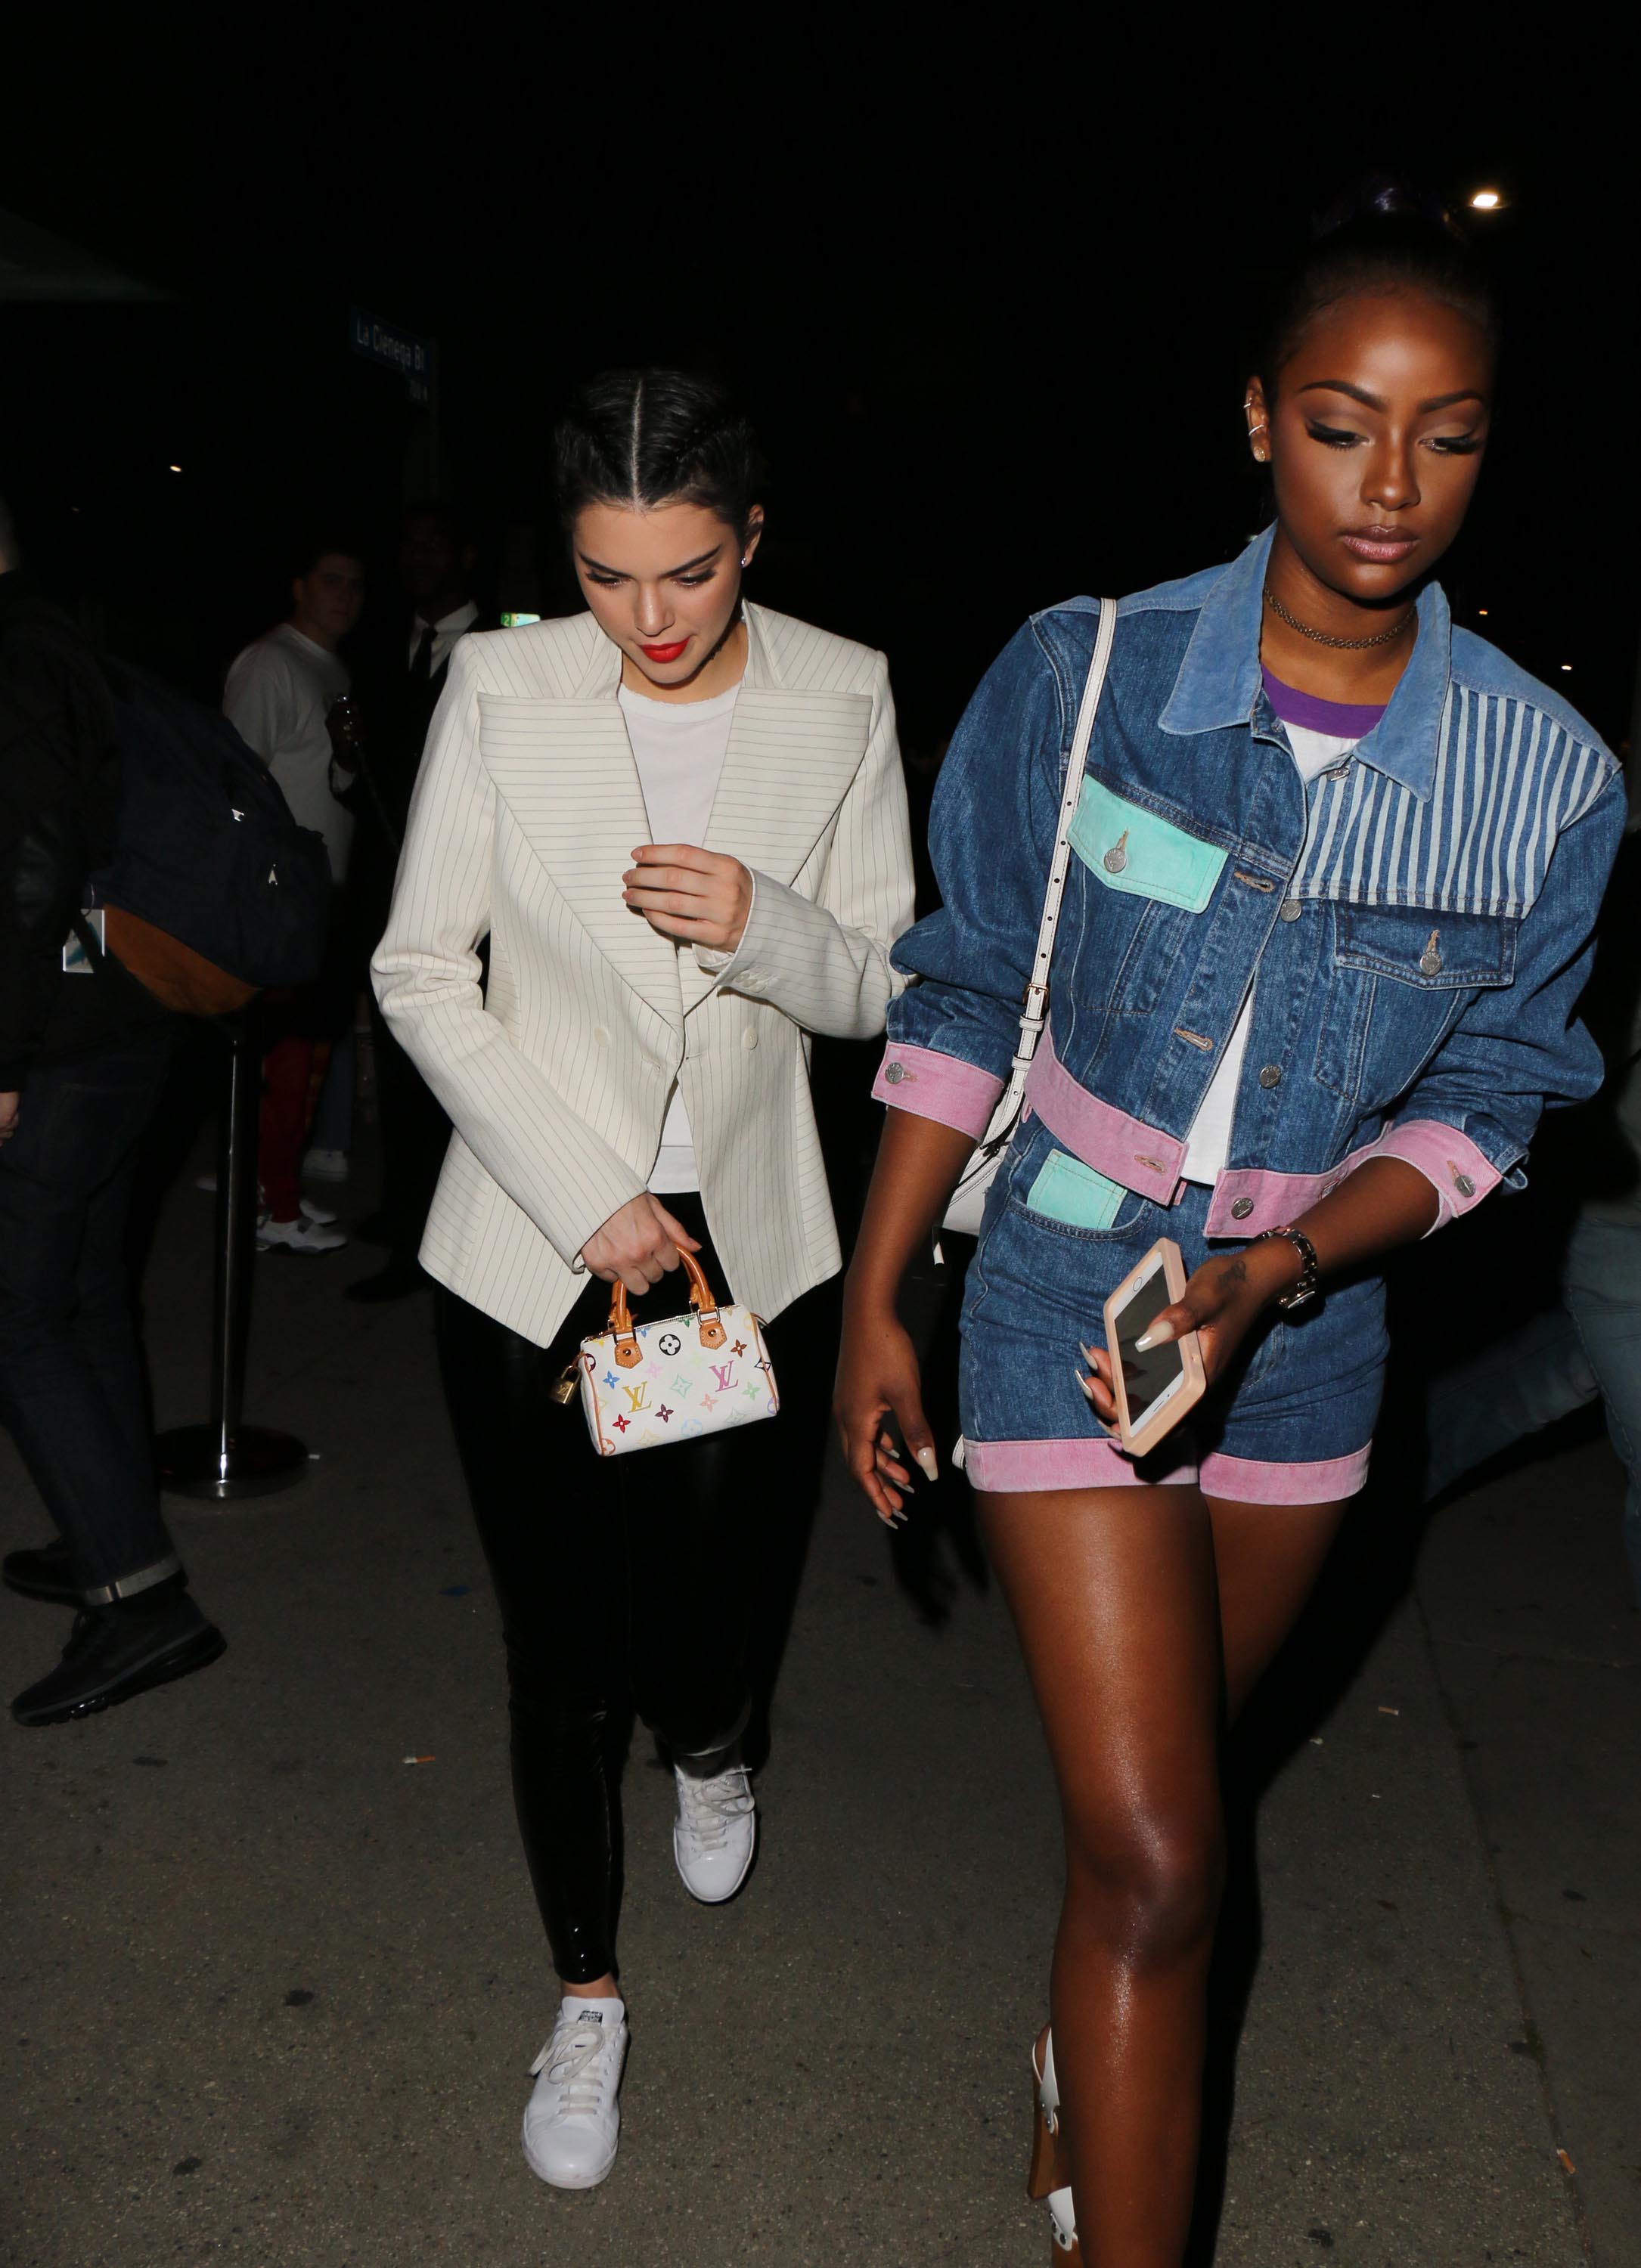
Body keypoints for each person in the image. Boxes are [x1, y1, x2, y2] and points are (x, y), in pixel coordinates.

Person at [833, 193, 1623, 2264]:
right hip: (1058, 1281)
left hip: (1305, 1335)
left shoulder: (1545, 780)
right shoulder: (1085, 673)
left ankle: (1073, 2048)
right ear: (1260, 418)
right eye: (1342, 424)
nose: (1391, 483)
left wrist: (1277, 1271)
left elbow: (1489, 1106)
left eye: (1448, 435)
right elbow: (960, 994)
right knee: (1173, 1859)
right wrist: (877, 1293)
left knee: (1148, 1826)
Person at [373, 369, 914, 2191]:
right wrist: (584, 1184)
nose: (649, 616)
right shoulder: (501, 685)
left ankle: (715, 1738)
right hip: (532, 1226)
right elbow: (418, 969)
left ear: (751, 534)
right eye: (606, 576)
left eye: (688, 570)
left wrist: (771, 926)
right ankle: (585, 1994)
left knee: (702, 1620)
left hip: (743, 1232)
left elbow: (887, 984)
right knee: (554, 1644)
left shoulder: (842, 690)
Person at [0, 496, 225, 1726]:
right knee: (81, 1294)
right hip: (121, 1021)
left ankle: (138, 1598)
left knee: (17, 1312)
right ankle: (110, 1528)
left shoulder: (19, 661)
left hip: (62, 1040)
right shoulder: (69, 646)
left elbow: (27, 869)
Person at [344, 502, 493, 1303]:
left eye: (435, 542)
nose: (419, 557)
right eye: (408, 543)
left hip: (469, 903)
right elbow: (365, 776)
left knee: (451, 1071)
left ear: (465, 555)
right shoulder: (381, 650)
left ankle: (435, 1241)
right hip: (389, 886)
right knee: (400, 1067)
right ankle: (406, 1214)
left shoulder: (496, 649)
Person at [222, 534, 364, 1252]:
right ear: (298, 586)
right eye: (331, 580)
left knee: (303, 1055)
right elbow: (234, 782)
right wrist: (253, 887)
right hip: (279, 896)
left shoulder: (331, 668)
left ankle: (274, 1192)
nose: (346, 596)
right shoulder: (270, 663)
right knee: (283, 1058)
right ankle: (270, 1210)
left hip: (320, 890)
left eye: (355, 585)